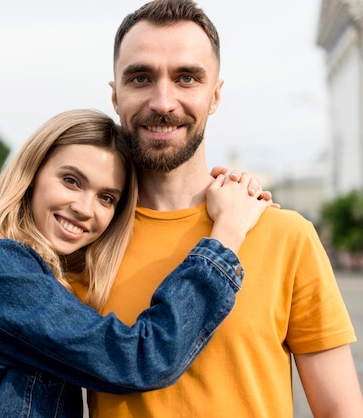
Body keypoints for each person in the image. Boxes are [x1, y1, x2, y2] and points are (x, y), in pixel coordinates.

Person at [0, 109, 274, 417]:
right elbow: (139, 359)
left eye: (107, 198)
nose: (84, 208)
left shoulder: (37, 257)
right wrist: (226, 235)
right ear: (33, 171)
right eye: (72, 181)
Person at [86, 1, 363, 417]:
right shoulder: (83, 241)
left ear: (215, 95)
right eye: (141, 77)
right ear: (116, 95)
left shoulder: (286, 236)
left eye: (187, 78)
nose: (164, 101)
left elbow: (341, 411)